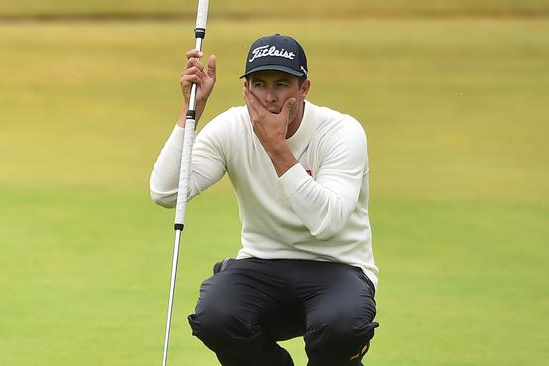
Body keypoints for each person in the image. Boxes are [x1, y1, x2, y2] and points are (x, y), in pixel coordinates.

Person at [150, 34, 379, 366]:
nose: (270, 97)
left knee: (341, 327)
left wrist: (276, 148)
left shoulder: (341, 132)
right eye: (259, 84)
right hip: (263, 264)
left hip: (338, 268)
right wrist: (191, 113)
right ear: (246, 90)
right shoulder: (231, 127)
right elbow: (166, 192)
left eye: (282, 84)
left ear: (304, 88)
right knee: (216, 315)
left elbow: (326, 224)